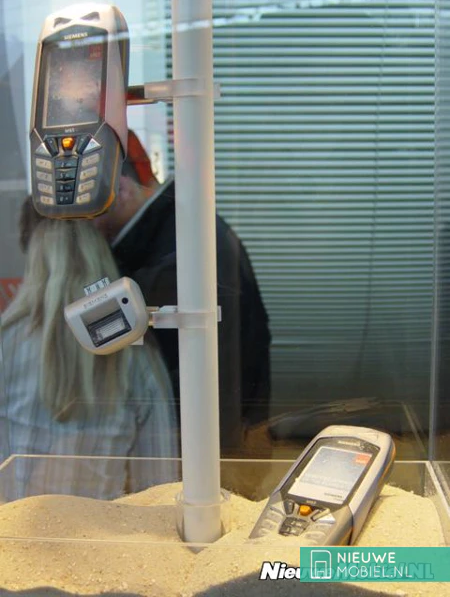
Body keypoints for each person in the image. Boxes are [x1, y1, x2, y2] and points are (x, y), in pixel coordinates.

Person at [94, 130, 272, 453]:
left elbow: (172, 378)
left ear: (121, 190)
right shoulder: (184, 228)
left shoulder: (168, 254)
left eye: (88, 210)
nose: (83, 226)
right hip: (227, 433)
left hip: (202, 447)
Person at [0, 214, 179, 501]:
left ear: (35, 269)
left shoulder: (6, 342)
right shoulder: (137, 357)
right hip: (99, 528)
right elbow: (160, 486)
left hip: (11, 526)